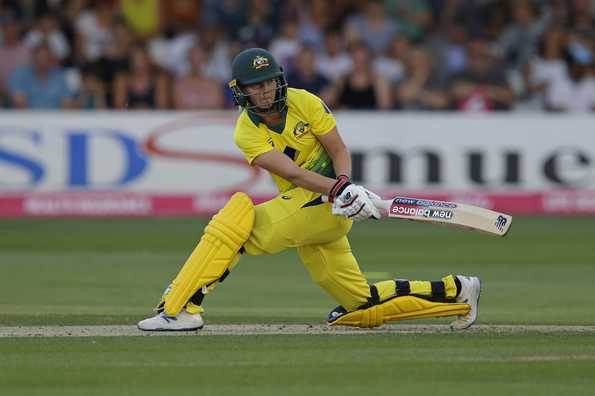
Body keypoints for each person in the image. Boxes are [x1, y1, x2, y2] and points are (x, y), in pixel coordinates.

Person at [137, 48, 481, 332]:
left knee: (238, 222)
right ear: (241, 90)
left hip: (327, 208)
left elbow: (338, 150)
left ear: (279, 81)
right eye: (255, 86)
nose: (264, 91)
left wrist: (346, 186)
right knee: (360, 306)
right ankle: (458, 292)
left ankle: (181, 307)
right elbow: (294, 174)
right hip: (312, 206)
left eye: (269, 82)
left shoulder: (305, 102)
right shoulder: (246, 132)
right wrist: (340, 191)